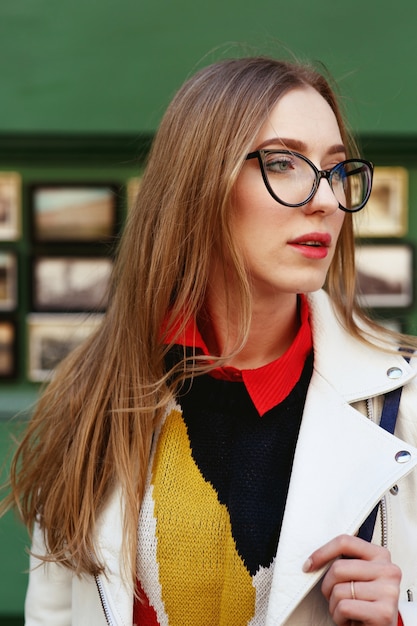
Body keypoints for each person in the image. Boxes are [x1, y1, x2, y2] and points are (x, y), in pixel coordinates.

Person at [3, 55, 417, 626]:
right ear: (203, 181)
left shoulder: (404, 406)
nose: (324, 199)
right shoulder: (97, 393)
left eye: (336, 169)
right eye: (284, 164)